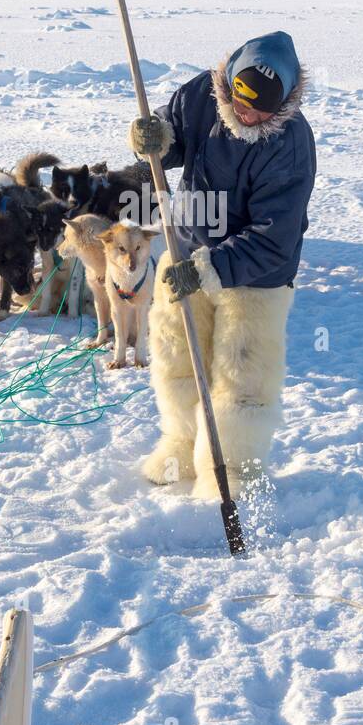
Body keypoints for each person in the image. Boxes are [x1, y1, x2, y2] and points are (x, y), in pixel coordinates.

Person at [129, 30, 316, 498]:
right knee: (177, 353)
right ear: (230, 85)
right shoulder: (201, 95)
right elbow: (167, 147)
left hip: (258, 275)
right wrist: (151, 138)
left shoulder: (290, 143)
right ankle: (183, 440)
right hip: (187, 245)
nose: (249, 115)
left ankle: (232, 466)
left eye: (262, 110)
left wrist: (213, 269)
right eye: (242, 102)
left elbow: (276, 238)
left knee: (242, 370)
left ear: (285, 102)